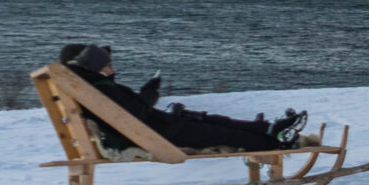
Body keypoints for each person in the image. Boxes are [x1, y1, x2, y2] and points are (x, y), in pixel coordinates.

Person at [56, 44, 312, 154]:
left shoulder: (94, 87)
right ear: (97, 67)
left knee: (211, 121)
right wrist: (150, 92)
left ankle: (270, 130)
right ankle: (277, 145)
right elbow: (138, 111)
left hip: (158, 127)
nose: (112, 69)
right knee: (218, 132)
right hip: (158, 134)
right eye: (108, 65)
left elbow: (129, 109)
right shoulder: (101, 88)